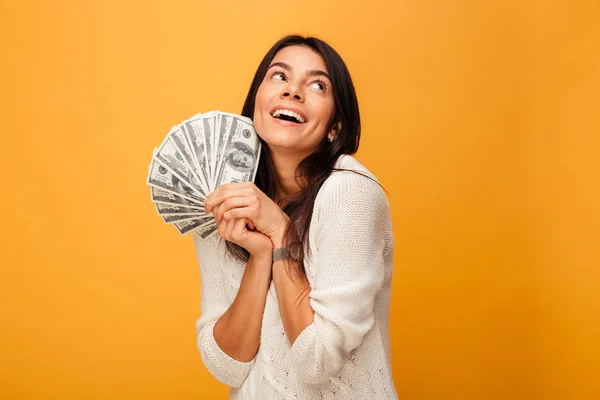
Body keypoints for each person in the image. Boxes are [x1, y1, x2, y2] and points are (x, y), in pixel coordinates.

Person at [195, 35, 397, 399]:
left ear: (336, 124)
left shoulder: (349, 193)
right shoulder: (226, 197)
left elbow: (317, 361)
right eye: (279, 77)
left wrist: (280, 233)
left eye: (317, 85)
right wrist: (260, 256)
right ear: (256, 101)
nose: (292, 91)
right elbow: (226, 364)